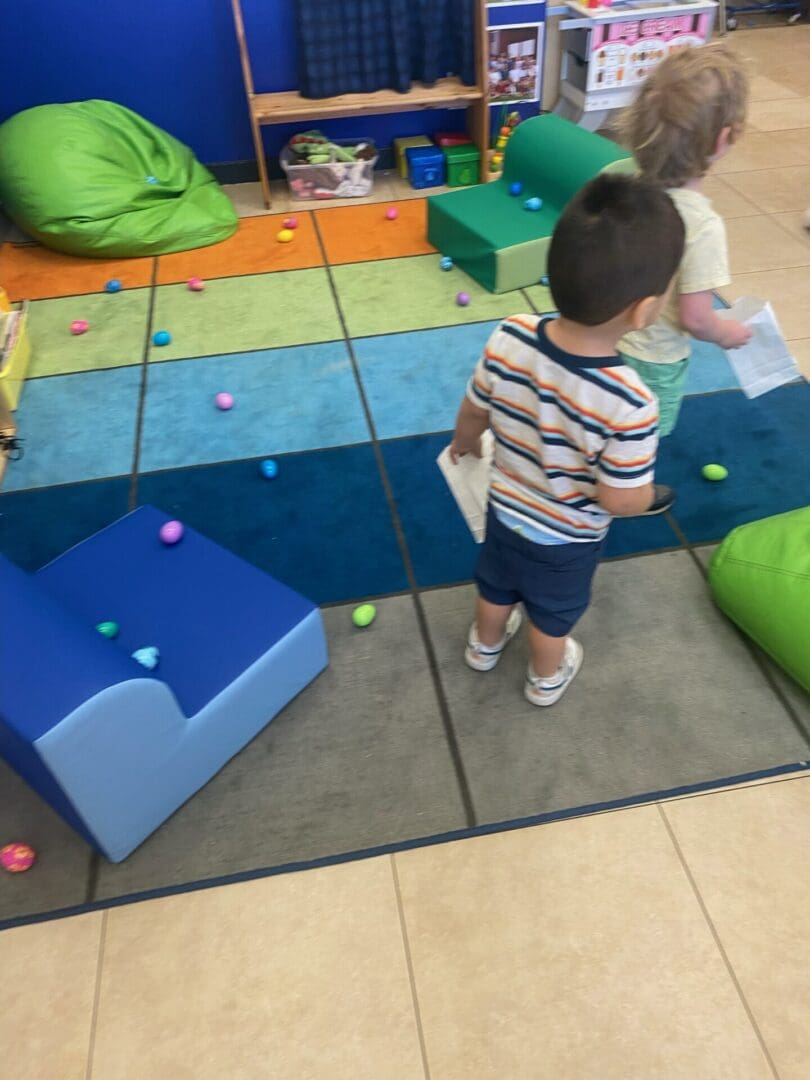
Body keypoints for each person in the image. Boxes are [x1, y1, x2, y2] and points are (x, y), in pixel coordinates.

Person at [448, 174, 685, 707]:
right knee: (552, 615)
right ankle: (545, 678)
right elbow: (619, 498)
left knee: (496, 583)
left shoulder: (509, 334)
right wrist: (649, 497)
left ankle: (483, 646)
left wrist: (464, 443)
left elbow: (473, 411)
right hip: (566, 538)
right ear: (645, 310)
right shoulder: (630, 403)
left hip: (505, 507)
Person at [616, 45, 752, 437]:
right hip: (654, 358)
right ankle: (628, 494)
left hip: (602, 340)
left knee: (602, 421)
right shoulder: (702, 225)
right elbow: (695, 318)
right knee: (639, 439)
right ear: (722, 139)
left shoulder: (625, 191)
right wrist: (726, 332)